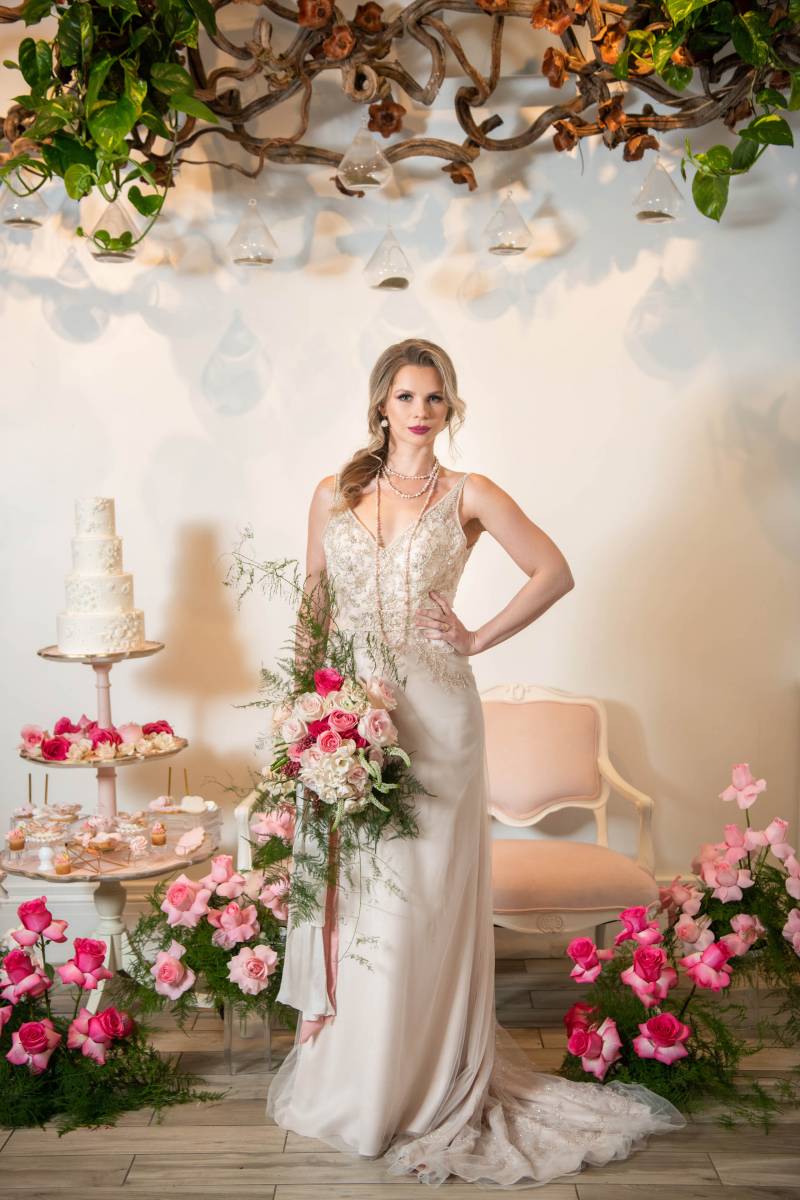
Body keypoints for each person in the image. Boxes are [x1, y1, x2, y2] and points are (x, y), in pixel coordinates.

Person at [266, 337, 685, 1188]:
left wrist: (476, 636)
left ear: (449, 408)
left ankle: (425, 1082)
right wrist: (307, 707)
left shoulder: (470, 493)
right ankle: (359, 1077)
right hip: (348, 716)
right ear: (380, 404)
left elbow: (553, 570)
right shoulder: (331, 494)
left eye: (435, 399)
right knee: (362, 896)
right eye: (406, 397)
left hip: (439, 719)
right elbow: (314, 607)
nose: (420, 412)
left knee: (420, 899)